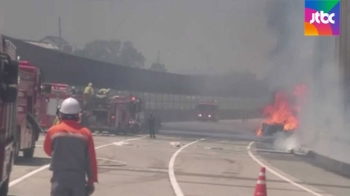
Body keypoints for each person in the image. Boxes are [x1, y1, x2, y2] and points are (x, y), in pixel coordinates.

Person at [44, 97, 98, 196]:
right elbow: (91, 160)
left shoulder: (53, 131)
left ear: (61, 114)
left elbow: (48, 151)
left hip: (59, 179)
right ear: (78, 115)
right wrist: (91, 181)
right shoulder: (86, 133)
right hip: (78, 180)